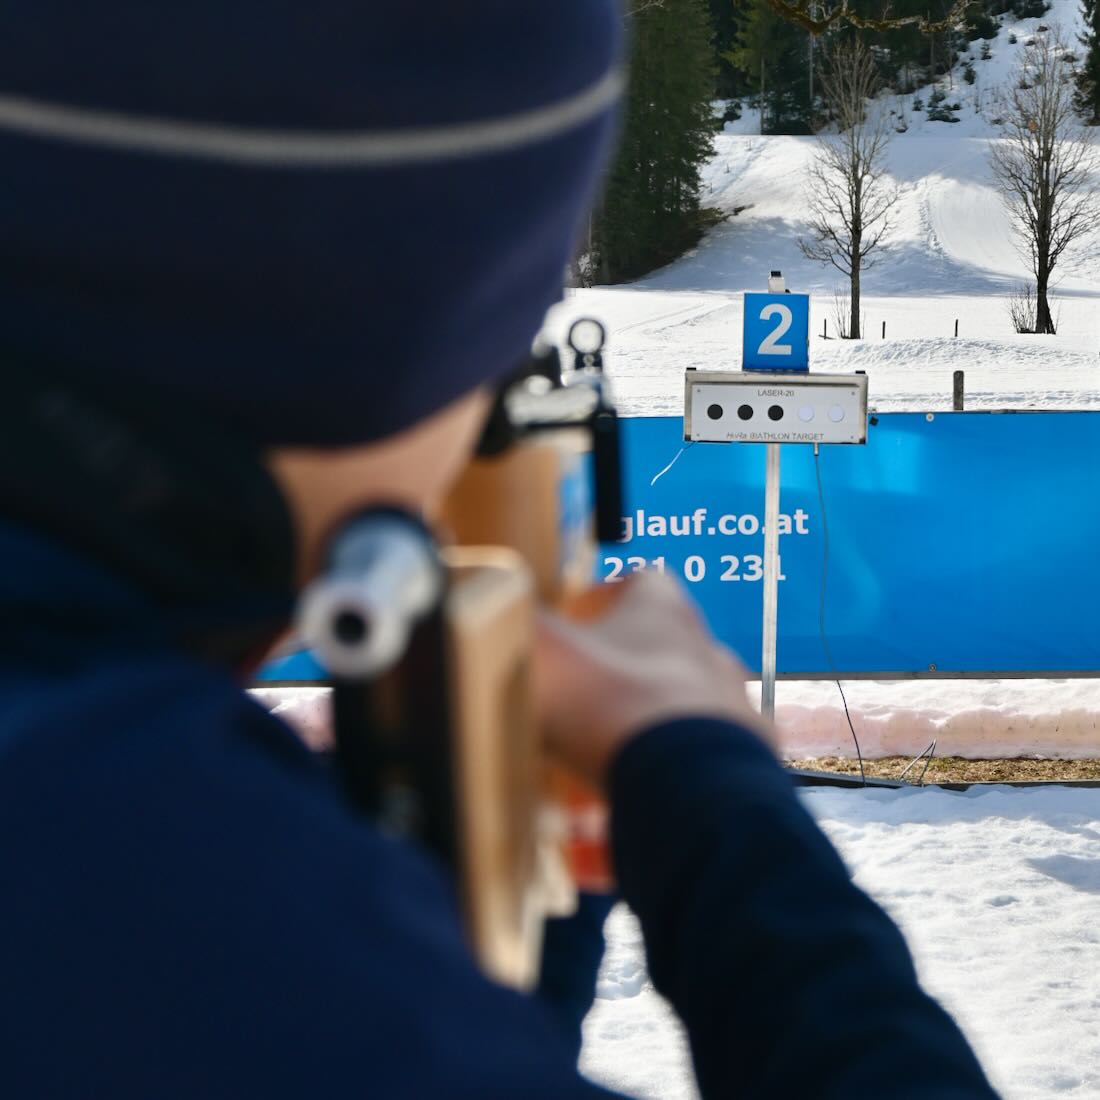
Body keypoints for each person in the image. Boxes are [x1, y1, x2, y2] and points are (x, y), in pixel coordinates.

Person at [0, 4, 998, 1097]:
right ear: (375, 364)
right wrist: (711, 794)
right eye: (494, 354)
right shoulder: (198, 905)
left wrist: (499, 888)